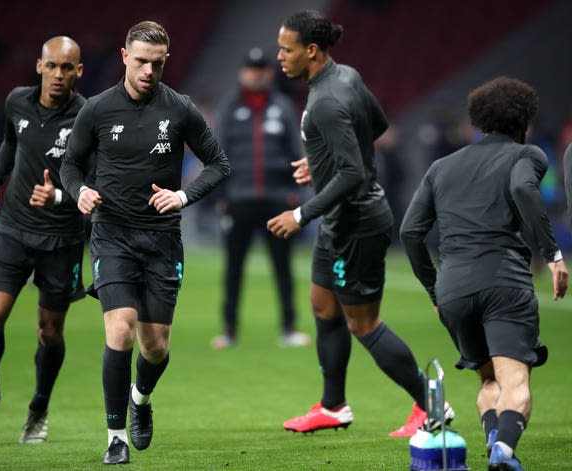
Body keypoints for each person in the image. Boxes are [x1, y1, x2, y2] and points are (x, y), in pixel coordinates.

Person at [266, 10, 453, 437]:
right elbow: (377, 125)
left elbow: (352, 175)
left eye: (286, 49)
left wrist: (300, 214)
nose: (281, 56)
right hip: (338, 222)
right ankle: (333, 406)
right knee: (322, 305)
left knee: (362, 323)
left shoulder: (327, 100)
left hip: (357, 224)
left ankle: (432, 406)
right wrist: (323, 162)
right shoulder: (344, 75)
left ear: (311, 51)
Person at [60, 20, 229, 465]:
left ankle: (141, 397)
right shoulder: (96, 110)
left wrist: (183, 195)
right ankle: (115, 436)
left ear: (165, 61)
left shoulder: (181, 109)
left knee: (155, 347)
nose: (148, 71)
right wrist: (80, 191)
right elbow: (71, 164)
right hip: (112, 234)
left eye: (156, 63)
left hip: (161, 241)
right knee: (119, 331)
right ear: (124, 57)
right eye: (140, 62)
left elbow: (218, 163)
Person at [400, 76, 568, 471]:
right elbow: (525, 191)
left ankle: (495, 438)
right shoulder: (527, 155)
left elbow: (409, 231)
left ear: (478, 121)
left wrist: (434, 292)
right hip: (504, 281)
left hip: (454, 288)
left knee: (488, 382)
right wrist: (553, 253)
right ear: (524, 119)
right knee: (515, 382)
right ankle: (504, 453)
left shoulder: (441, 166)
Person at [0, 37, 86, 444]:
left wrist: (60, 196)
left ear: (78, 72)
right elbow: (10, 143)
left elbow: (93, 182)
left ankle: (38, 408)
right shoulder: (17, 102)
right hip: (14, 228)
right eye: (52, 67)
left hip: (62, 238)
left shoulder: (88, 117)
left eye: (67, 68)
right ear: (39, 67)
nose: (58, 75)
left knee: (49, 332)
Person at [211, 46, 310, 350]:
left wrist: (296, 193)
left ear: (269, 72)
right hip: (238, 199)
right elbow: (216, 154)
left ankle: (289, 328)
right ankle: (229, 330)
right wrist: (220, 195)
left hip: (277, 200)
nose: (257, 73)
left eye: (262, 68)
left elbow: (297, 153)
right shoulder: (229, 108)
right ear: (244, 72)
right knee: (233, 268)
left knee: (283, 267)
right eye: (252, 68)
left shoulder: (282, 107)